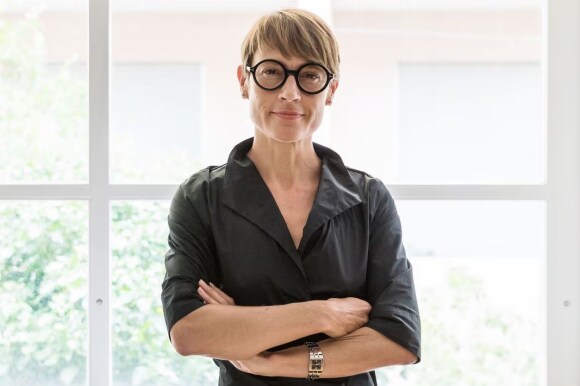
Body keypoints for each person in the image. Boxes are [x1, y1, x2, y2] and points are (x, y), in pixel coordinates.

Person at [161, 8, 421, 385]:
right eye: (271, 71)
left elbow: (399, 338)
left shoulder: (369, 198)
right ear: (243, 81)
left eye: (310, 75)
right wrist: (322, 315)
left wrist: (267, 357)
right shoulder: (201, 197)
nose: (290, 92)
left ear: (330, 91)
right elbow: (189, 331)